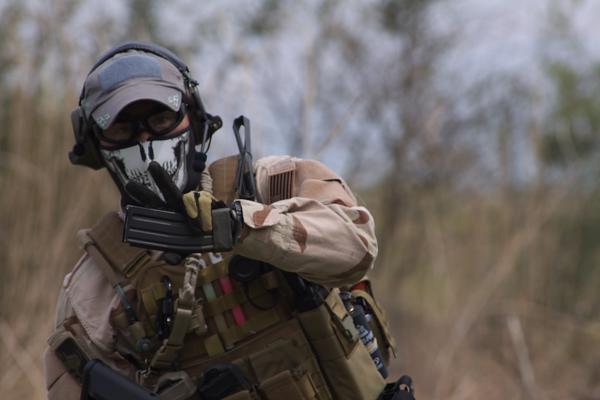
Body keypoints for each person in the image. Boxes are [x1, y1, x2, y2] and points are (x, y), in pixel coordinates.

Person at [43, 41, 398, 400]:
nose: (145, 139)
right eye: (122, 128)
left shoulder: (267, 186)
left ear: (195, 119)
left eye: (161, 118)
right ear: (95, 145)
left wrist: (243, 226)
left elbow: (357, 245)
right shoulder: (94, 288)